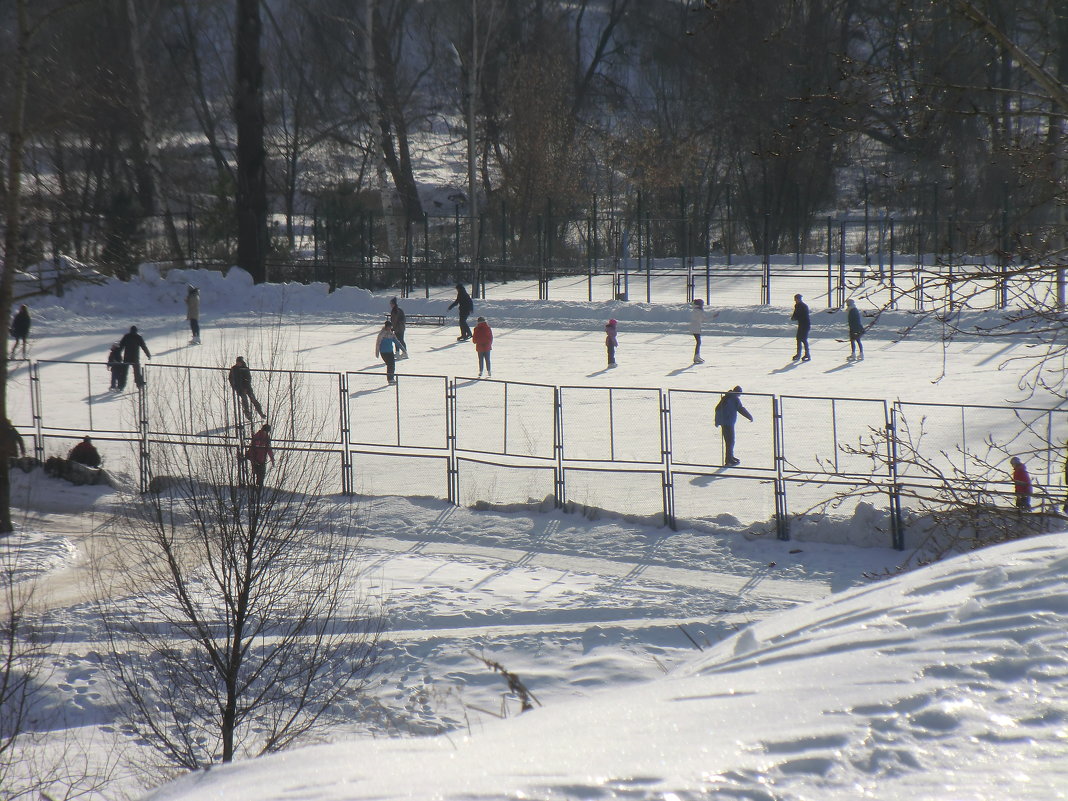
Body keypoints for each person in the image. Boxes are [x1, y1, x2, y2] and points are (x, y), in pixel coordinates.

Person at [714, 385, 753, 467]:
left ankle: (730, 457)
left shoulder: (726, 397)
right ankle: (729, 460)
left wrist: (717, 421)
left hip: (724, 422)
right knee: (730, 441)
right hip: (728, 423)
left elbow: (717, 409)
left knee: (729, 441)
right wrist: (749, 416)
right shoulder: (734, 399)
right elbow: (741, 409)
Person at [791, 294, 811, 362]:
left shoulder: (802, 306)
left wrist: (795, 317)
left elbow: (800, 315)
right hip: (801, 324)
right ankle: (798, 354)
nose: (795, 300)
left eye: (796, 299)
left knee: (803, 339)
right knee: (798, 339)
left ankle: (807, 354)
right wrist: (794, 317)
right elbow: (795, 315)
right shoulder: (797, 305)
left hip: (805, 325)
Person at [689, 298, 705, 364]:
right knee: (698, 342)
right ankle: (696, 356)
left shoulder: (695, 310)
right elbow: (704, 319)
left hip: (694, 328)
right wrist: (713, 317)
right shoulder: (699, 311)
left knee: (698, 342)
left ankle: (697, 356)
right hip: (696, 328)